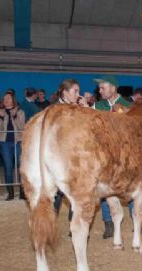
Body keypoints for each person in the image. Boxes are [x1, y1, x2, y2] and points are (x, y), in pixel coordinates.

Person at [93, 75, 142, 238]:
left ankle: (139, 223)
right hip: (105, 153)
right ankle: (109, 224)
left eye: (102, 87)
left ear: (113, 88)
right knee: (105, 187)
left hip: (128, 153)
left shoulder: (130, 105)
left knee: (134, 184)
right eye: (99, 88)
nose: (99, 91)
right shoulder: (97, 105)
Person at [53, 79, 89, 223]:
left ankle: (74, 222)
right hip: (59, 156)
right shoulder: (55, 109)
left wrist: (85, 108)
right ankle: (51, 220)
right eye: (75, 91)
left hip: (76, 154)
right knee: (56, 191)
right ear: (65, 93)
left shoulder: (78, 108)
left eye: (78, 91)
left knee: (75, 189)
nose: (78, 95)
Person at [0, 92, 26, 200]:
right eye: (5, 98)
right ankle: (10, 193)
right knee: (8, 168)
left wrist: (15, 116)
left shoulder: (20, 112)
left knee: (21, 168)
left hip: (18, 142)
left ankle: (22, 192)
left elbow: (22, 127)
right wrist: (2, 118)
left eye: (8, 98)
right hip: (4, 143)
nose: (6, 100)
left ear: (13, 100)